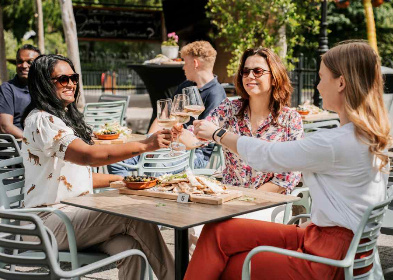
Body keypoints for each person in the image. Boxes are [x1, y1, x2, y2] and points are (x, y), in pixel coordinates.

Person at [186, 41, 392, 280]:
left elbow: (269, 156)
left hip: (326, 258)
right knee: (218, 232)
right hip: (326, 239)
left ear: (341, 83)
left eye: (321, 77)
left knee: (228, 265)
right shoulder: (368, 136)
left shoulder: (336, 142)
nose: (317, 85)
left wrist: (218, 134)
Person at [21, 54, 174, 280]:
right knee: (134, 216)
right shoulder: (43, 120)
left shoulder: (61, 118)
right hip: (47, 223)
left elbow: (74, 178)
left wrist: (120, 181)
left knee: (131, 248)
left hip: (71, 216)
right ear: (43, 83)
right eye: (63, 79)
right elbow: (88, 157)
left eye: (74, 78)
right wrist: (145, 145)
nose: (72, 84)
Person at [176, 47, 303, 193]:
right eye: (245, 71)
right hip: (229, 197)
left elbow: (289, 176)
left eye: (257, 71)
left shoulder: (290, 119)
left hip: (269, 203)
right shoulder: (229, 109)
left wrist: (250, 199)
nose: (249, 76)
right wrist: (178, 134)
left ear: (274, 78)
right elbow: (196, 138)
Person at [108, 40, 226, 176]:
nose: (183, 68)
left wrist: (170, 142)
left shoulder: (216, 94)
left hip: (194, 154)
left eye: (185, 63)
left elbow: (200, 141)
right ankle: (129, 192)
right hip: (169, 146)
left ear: (195, 64)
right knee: (115, 158)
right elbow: (164, 116)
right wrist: (149, 142)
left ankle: (147, 194)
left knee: (155, 165)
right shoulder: (186, 86)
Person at [0, 44, 41, 139]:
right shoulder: (6, 90)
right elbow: (5, 127)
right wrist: (33, 142)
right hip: (17, 149)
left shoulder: (43, 90)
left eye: (29, 62)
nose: (23, 65)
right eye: (20, 61)